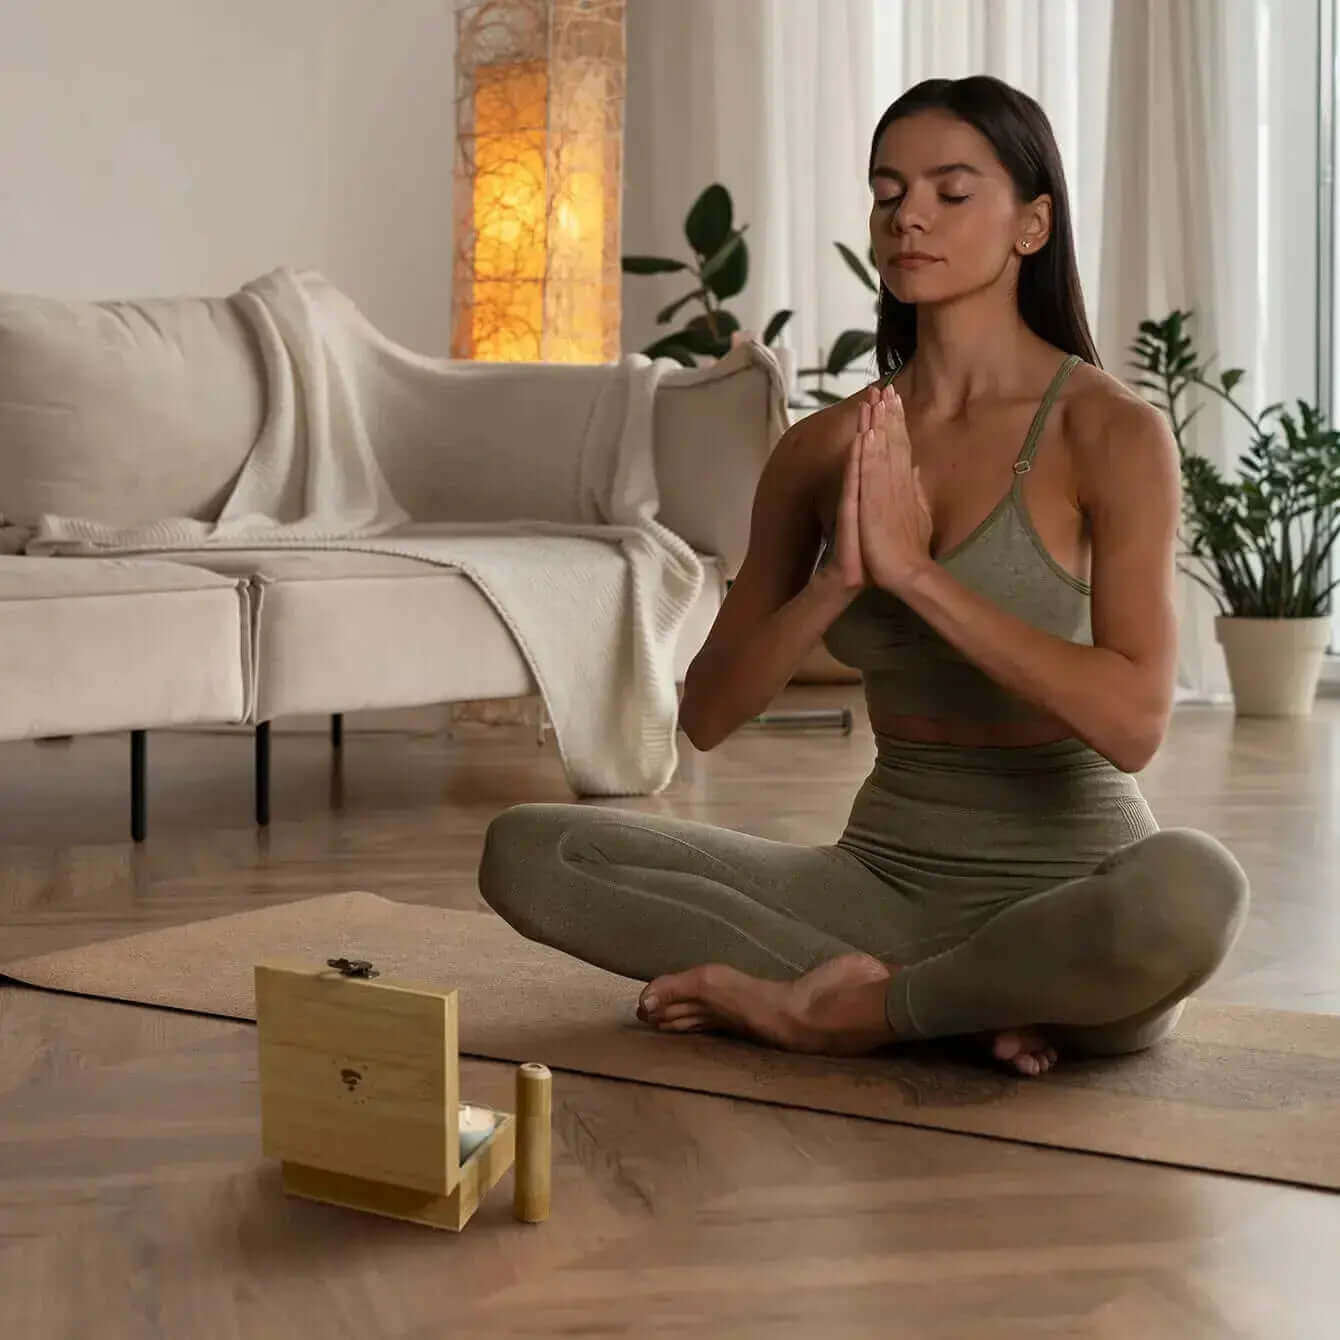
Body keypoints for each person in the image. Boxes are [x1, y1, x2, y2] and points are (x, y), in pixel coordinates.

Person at [477, 75, 1249, 1077]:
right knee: (533, 852)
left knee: (1194, 890)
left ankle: (856, 1009)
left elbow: (1134, 722)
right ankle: (960, 1005)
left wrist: (919, 577)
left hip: (1073, 887)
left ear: (1030, 224)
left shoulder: (1106, 432)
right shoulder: (824, 448)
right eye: (887, 191)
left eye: (948, 190)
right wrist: (838, 581)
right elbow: (704, 713)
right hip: (876, 884)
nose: (907, 215)